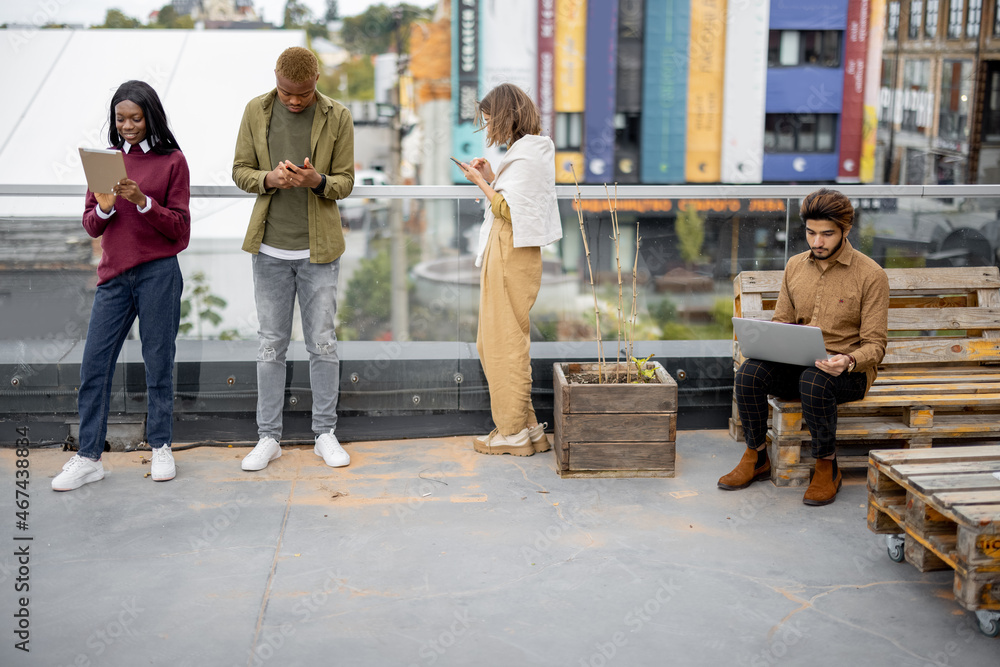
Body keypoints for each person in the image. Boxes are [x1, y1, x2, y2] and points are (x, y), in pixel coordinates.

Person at [53, 80, 190, 491]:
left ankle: (162, 445)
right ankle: (89, 457)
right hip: (113, 277)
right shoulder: (105, 161)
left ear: (150, 117)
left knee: (158, 361)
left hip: (158, 274)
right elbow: (91, 222)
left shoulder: (172, 162)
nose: (128, 126)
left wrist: (143, 202)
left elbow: (180, 231)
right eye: (120, 119)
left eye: (135, 118)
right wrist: (109, 207)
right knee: (94, 365)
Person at [718, 189, 889, 505]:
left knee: (814, 379)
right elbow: (782, 321)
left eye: (827, 234)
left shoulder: (871, 275)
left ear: (845, 231)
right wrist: (771, 340)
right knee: (749, 373)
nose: (817, 242)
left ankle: (827, 465)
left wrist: (848, 360)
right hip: (800, 364)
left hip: (848, 373)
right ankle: (756, 456)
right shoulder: (795, 267)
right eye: (811, 233)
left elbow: (876, 346)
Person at [232, 47, 355, 471]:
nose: (295, 101)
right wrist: (270, 178)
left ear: (316, 79)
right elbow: (240, 170)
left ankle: (324, 433)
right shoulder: (256, 110)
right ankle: (268, 437)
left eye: (303, 93)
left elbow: (346, 182)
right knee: (271, 345)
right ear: (276, 80)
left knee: (323, 342)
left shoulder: (337, 115)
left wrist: (316, 181)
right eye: (287, 93)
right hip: (269, 249)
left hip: (319, 251)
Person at [455, 83, 563, 456]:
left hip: (509, 250)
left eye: (489, 121)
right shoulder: (531, 149)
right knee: (509, 339)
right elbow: (517, 199)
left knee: (499, 342)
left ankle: (511, 431)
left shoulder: (528, 154)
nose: (488, 129)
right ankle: (529, 429)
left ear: (505, 115)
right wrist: (494, 174)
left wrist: (481, 181)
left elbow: (509, 211)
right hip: (516, 252)